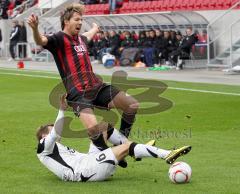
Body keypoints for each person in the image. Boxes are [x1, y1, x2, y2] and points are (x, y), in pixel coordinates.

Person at [27, 3, 140, 168]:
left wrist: (95, 28)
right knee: (94, 130)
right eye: (77, 19)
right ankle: (113, 155)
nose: (80, 22)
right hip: (78, 94)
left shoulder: (81, 39)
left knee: (132, 105)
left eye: (82, 19)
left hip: (97, 86)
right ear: (66, 21)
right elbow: (41, 40)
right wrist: (35, 28)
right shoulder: (58, 39)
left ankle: (121, 142)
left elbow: (89, 33)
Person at [36, 95, 192, 182]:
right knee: (125, 147)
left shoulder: (53, 150)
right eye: (49, 132)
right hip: (86, 171)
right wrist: (61, 110)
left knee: (103, 127)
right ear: (44, 136)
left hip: (89, 162)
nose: (57, 135)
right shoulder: (43, 147)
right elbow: (56, 133)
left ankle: (133, 150)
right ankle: (166, 154)